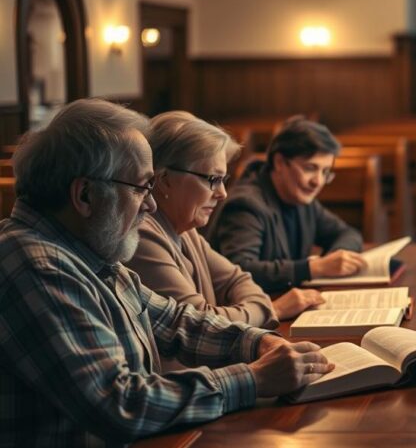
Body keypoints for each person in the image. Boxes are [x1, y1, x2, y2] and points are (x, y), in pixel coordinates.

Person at [0, 99, 332, 445]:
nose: (152, 203)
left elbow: (175, 321)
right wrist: (254, 379)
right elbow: (120, 403)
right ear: (85, 194)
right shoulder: (34, 263)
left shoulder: (87, 254)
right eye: (141, 187)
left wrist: (258, 342)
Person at [128, 112, 324, 337]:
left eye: (224, 180)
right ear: (164, 181)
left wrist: (259, 307)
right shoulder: (143, 236)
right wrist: (274, 309)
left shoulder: (185, 229)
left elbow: (238, 279)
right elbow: (203, 323)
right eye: (213, 179)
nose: (222, 193)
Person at [208, 117, 366, 292]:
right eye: (310, 168)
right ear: (279, 162)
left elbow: (347, 233)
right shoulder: (246, 204)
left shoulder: (302, 198)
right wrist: (313, 268)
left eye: (326, 172)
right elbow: (240, 270)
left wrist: (336, 260)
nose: (318, 181)